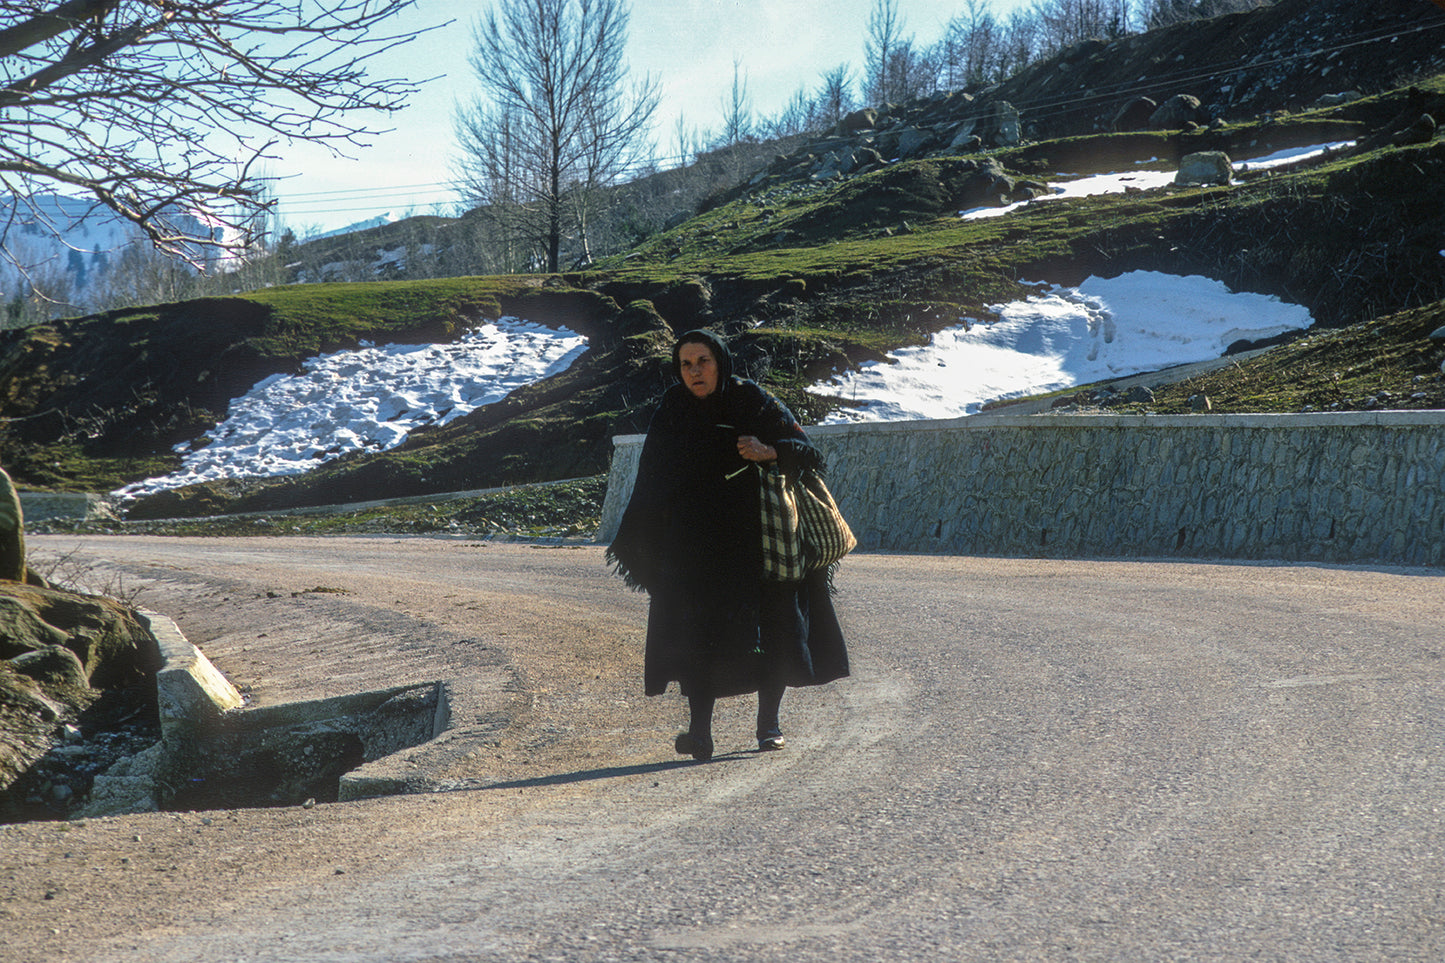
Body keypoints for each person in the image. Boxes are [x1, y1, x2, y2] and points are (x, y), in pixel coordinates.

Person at [607, 329, 849, 761]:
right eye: (686, 364)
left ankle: (768, 725)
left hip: (757, 540)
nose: (695, 371)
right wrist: (643, 537)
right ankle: (699, 733)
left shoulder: (750, 400)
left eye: (703, 361)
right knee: (699, 635)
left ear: (720, 361)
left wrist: (767, 450)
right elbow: (651, 476)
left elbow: (804, 447)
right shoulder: (672, 409)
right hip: (693, 548)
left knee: (771, 627)